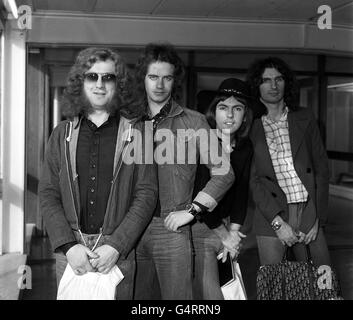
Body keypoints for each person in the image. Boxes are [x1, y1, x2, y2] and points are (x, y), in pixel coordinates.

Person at [38, 47, 158, 299]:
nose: (100, 84)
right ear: (80, 83)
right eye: (92, 76)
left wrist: (117, 245)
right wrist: (69, 246)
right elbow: (48, 194)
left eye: (108, 77)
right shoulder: (62, 134)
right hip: (71, 252)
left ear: (119, 84)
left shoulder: (138, 134)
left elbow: (146, 194)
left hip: (117, 253)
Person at [132, 43, 235, 300]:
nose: (159, 85)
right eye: (153, 77)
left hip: (172, 230)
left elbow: (225, 173)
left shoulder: (194, 121)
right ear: (143, 79)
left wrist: (193, 211)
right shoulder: (128, 121)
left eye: (166, 78)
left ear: (174, 81)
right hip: (131, 229)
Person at [246, 56, 332, 271]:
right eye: (266, 80)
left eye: (279, 79)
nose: (273, 86)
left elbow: (321, 170)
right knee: (275, 286)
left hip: (308, 208)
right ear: (257, 85)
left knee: (323, 282)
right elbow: (252, 181)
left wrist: (315, 217)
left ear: (287, 83)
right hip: (271, 214)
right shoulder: (249, 127)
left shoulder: (305, 118)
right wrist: (277, 223)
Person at [191, 78, 254, 299]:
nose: (229, 115)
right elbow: (199, 197)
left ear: (245, 115)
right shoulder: (202, 143)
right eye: (223, 108)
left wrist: (234, 234)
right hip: (202, 227)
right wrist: (225, 235)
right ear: (213, 112)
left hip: (227, 227)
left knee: (231, 291)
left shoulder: (245, 147)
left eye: (237, 109)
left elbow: (242, 192)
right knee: (212, 296)